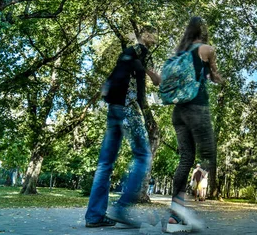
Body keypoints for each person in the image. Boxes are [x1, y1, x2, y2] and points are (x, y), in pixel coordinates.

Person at [84, 26, 161, 228]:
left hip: (114, 107)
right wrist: (157, 77)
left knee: (105, 163)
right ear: (144, 35)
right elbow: (151, 76)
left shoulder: (127, 54)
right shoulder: (141, 50)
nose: (155, 38)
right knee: (144, 155)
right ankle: (121, 207)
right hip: (127, 107)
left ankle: (94, 216)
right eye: (153, 34)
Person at [165, 17, 224, 233]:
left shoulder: (178, 54)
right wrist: (219, 78)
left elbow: (166, 79)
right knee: (209, 154)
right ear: (203, 32)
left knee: (186, 159)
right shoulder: (206, 49)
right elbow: (215, 76)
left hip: (178, 111)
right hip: (196, 109)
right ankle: (182, 210)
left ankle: (174, 216)